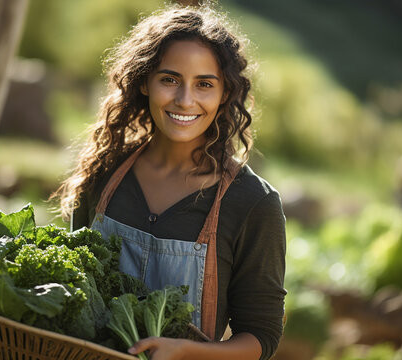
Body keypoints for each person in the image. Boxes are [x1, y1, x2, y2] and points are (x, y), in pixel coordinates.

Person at [52, 4, 286, 360]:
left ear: (225, 94)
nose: (185, 100)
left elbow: (261, 338)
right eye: (170, 79)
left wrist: (187, 352)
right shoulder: (104, 170)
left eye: (204, 84)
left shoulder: (253, 204)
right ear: (145, 81)